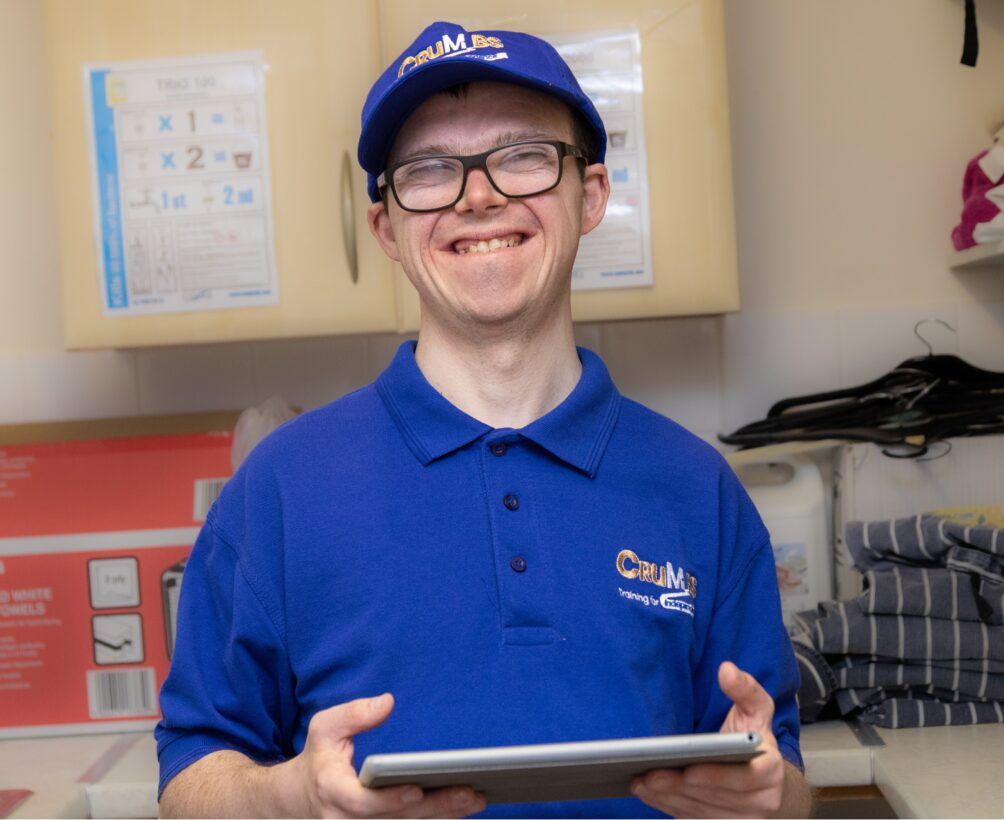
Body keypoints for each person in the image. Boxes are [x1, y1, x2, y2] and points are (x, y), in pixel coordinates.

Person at [156, 21, 812, 819]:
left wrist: (773, 803)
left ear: (592, 193)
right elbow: (190, 776)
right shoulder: (279, 490)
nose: (479, 195)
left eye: (524, 156)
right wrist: (289, 797)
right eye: (430, 170)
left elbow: (786, 781)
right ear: (385, 228)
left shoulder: (696, 486)